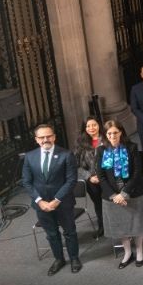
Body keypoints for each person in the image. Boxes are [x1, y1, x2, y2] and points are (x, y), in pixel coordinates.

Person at [22, 124, 81, 275]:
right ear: (36, 140)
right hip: (41, 205)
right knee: (52, 234)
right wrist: (40, 201)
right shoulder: (30, 157)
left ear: (54, 137)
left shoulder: (66, 155)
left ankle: (74, 258)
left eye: (48, 136)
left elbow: (71, 180)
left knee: (69, 232)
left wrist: (56, 200)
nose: (45, 139)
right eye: (41, 137)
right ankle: (59, 259)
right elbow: (27, 182)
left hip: (62, 203)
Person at [97, 121, 143, 268]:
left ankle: (140, 251)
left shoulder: (132, 147)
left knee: (137, 225)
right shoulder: (101, 151)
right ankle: (128, 252)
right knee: (120, 226)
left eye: (115, 132)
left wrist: (124, 194)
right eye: (109, 133)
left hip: (133, 192)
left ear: (121, 132)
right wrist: (114, 196)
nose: (112, 136)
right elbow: (101, 176)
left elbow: (137, 173)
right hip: (112, 196)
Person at [73, 117, 105, 237]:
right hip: (91, 180)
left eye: (94, 125)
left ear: (98, 125)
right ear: (85, 128)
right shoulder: (80, 143)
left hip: (108, 178)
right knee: (98, 203)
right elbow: (76, 165)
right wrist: (89, 177)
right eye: (88, 126)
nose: (91, 128)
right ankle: (102, 226)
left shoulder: (106, 138)